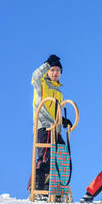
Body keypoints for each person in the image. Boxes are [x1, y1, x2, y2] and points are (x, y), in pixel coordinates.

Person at [30, 55, 72, 191]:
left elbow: (54, 110)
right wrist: (47, 64)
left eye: (58, 70)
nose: (55, 73)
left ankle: (53, 187)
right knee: (45, 158)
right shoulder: (41, 84)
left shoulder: (58, 92)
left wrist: (63, 120)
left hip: (56, 128)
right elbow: (35, 76)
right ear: (48, 71)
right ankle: (36, 187)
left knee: (61, 156)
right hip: (44, 127)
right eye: (52, 70)